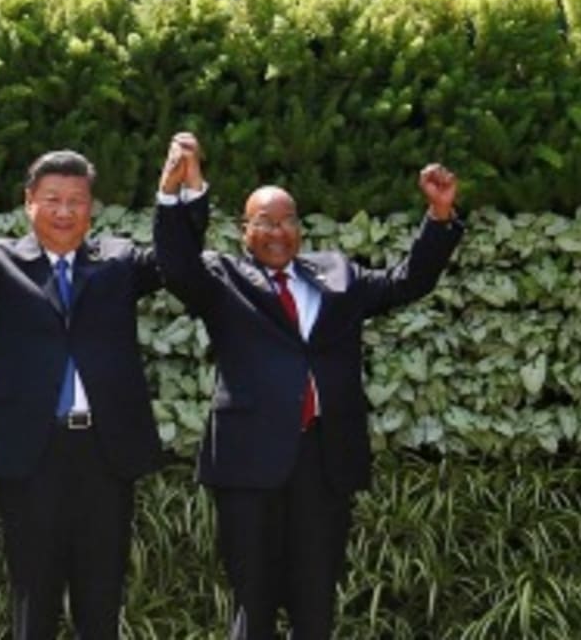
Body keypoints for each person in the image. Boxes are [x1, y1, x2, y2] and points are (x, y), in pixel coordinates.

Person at [153, 132, 464, 640]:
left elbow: (407, 282)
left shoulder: (338, 276)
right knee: (253, 603)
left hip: (323, 462)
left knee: (315, 603)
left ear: (300, 227)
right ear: (244, 231)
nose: (278, 232)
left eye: (288, 221)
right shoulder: (222, 277)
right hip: (250, 464)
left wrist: (440, 215)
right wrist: (176, 192)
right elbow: (178, 266)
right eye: (265, 222)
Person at [0, 119, 192, 639]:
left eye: (76, 201)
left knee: (102, 596)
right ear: (29, 202)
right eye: (52, 199)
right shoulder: (2, 264)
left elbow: (176, 262)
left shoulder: (118, 262)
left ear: (91, 207)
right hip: (32, 453)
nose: (65, 211)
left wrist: (171, 193)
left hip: (104, 451)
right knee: (34, 595)